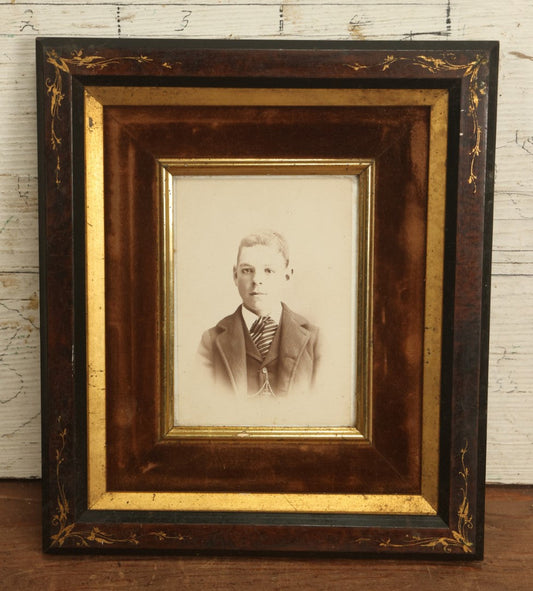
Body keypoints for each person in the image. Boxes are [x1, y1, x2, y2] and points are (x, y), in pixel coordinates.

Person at [197, 230, 321, 397]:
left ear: (287, 276)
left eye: (268, 270)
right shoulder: (211, 341)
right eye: (247, 270)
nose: (257, 280)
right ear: (235, 275)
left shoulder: (314, 340)